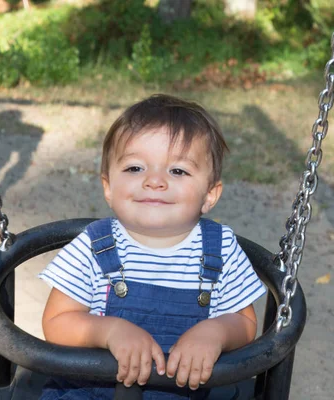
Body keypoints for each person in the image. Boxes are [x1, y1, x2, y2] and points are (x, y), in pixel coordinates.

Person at [38, 94, 266, 400]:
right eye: (135, 168)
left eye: (178, 171)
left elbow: (245, 323)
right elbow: (56, 322)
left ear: (210, 194)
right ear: (108, 187)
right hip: (90, 392)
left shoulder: (221, 249)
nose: (154, 181)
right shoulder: (93, 246)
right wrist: (109, 331)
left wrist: (216, 333)